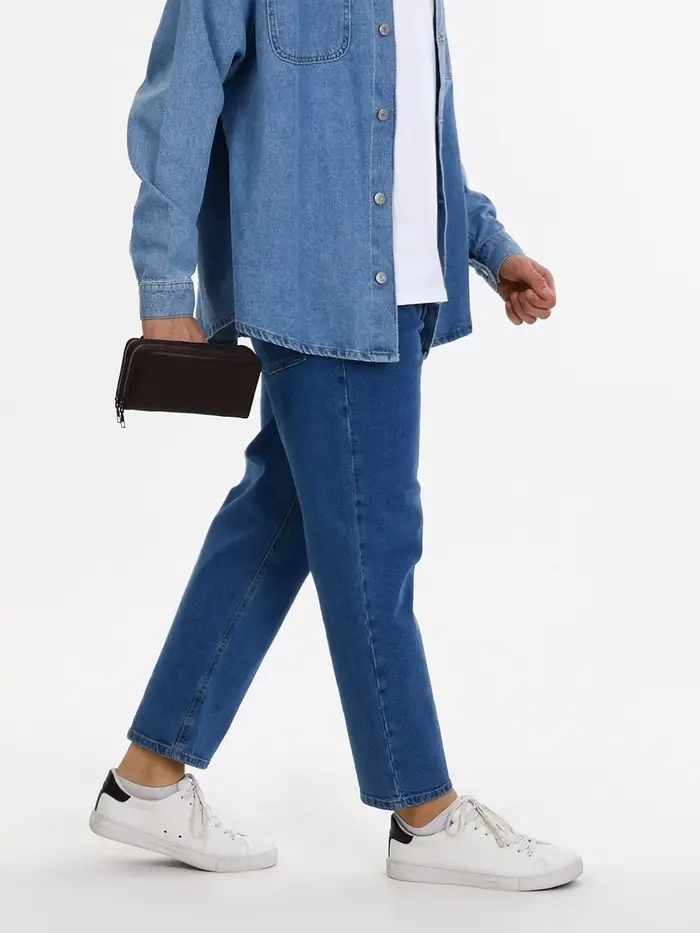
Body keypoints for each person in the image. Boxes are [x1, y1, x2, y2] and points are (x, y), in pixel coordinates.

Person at [90, 0, 583, 891]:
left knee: (274, 524)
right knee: (374, 541)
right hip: (319, 287)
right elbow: (179, 97)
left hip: (403, 298)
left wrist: (487, 244)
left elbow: (413, 133)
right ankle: (424, 812)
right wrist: (164, 284)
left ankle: (150, 775)